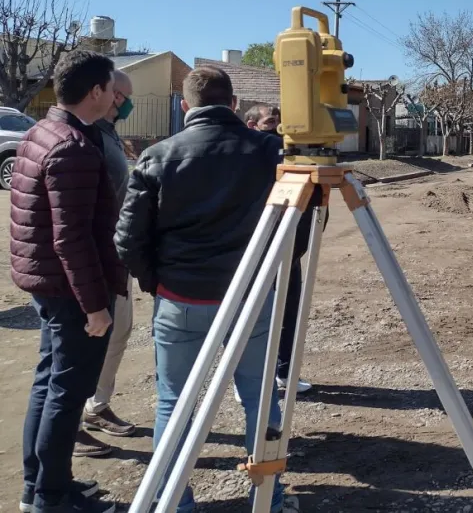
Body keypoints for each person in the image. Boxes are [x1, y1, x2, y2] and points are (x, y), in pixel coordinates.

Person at [114, 66, 298, 512]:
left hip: (181, 300)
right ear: (233, 104)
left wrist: (155, 281)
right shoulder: (271, 151)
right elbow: (303, 221)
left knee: (174, 403)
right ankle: (269, 500)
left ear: (185, 106)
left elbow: (127, 239)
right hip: (251, 296)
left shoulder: (157, 156)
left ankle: (174, 501)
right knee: (259, 396)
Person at [10, 50, 125, 513]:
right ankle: (51, 497)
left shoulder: (44, 130)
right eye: (112, 90)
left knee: (49, 382)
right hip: (70, 288)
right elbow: (71, 238)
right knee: (67, 390)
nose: (116, 98)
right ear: (95, 91)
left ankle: (39, 485)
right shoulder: (72, 146)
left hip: (48, 284)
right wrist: (95, 306)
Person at [73, 70, 138, 459]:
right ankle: (71, 424)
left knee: (121, 331)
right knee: (86, 341)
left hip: (116, 252)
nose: (128, 102)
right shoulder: (86, 135)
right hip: (97, 255)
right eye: (125, 95)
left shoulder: (109, 134)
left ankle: (95, 406)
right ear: (112, 95)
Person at [242, 103, 314, 397]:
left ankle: (284, 372)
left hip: (291, 248)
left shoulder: (292, 155)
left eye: (280, 123)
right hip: (259, 248)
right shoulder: (249, 155)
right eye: (271, 123)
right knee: (257, 316)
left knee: (288, 313)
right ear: (252, 126)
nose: (278, 129)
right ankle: (251, 380)